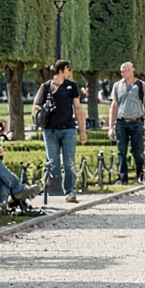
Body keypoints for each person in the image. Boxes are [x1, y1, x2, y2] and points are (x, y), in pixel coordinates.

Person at [32, 59, 87, 204]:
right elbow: (35, 106)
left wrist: (83, 130)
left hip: (68, 129)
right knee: (53, 163)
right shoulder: (45, 87)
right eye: (69, 69)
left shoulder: (72, 86)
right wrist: (43, 112)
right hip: (50, 130)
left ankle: (70, 191)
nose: (70, 72)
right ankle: (51, 187)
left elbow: (78, 108)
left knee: (69, 162)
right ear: (63, 70)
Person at [108, 62, 145, 184]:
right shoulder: (117, 86)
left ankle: (139, 173)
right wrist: (111, 127)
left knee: (138, 152)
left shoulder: (141, 85)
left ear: (132, 70)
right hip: (121, 122)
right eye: (122, 71)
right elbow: (114, 105)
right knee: (121, 151)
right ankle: (123, 179)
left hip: (137, 122)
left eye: (126, 70)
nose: (123, 72)